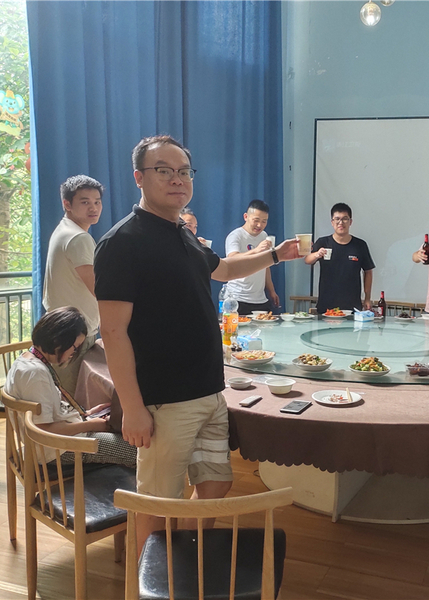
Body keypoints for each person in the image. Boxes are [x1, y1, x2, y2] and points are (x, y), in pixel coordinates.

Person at [94, 135, 300, 554]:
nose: (177, 179)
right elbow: (113, 333)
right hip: (164, 399)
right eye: (164, 171)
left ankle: (182, 558)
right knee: (156, 501)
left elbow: (223, 269)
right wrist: (132, 408)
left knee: (215, 483)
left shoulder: (184, 234)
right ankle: (149, 579)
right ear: (139, 177)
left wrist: (276, 255)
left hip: (208, 390)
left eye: (184, 171)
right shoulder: (122, 242)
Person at [4, 307, 137, 468]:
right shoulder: (35, 375)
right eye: (74, 348)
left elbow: (49, 414)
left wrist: (87, 414)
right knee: (136, 450)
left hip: (56, 442)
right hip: (57, 449)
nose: (73, 354)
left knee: (121, 433)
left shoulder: (27, 361)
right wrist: (92, 425)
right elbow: (44, 430)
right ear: (58, 341)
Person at [42, 174, 104, 395]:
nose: (93, 208)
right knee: (72, 397)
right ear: (67, 204)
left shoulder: (63, 229)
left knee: (63, 394)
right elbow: (99, 289)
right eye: (85, 202)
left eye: (97, 201)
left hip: (59, 327)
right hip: (73, 333)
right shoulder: (78, 238)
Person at [306, 203, 375, 312]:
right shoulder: (323, 242)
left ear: (350, 222)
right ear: (332, 222)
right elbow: (307, 260)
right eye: (337, 219)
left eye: (345, 219)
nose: (341, 223)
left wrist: (367, 298)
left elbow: (368, 271)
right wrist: (317, 254)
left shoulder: (360, 245)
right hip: (326, 305)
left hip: (352, 305)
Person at [225, 199, 281, 315]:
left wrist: (271, 291)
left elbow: (266, 265)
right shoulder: (236, 236)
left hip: (260, 299)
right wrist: (256, 250)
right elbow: (232, 258)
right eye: (256, 220)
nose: (259, 225)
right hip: (237, 298)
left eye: (264, 221)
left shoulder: (264, 236)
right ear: (246, 217)